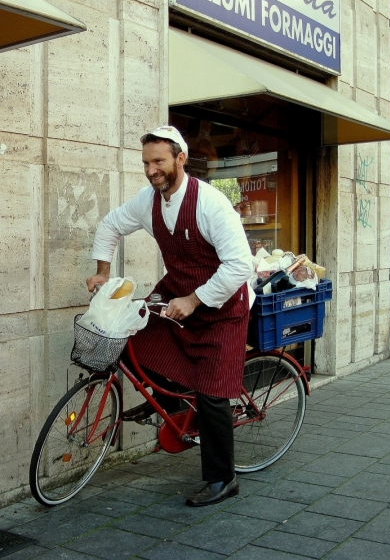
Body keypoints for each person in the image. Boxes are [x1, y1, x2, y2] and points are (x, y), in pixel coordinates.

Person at [86, 125, 254, 507]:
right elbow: (111, 225)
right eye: (146, 162)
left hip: (223, 307)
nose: (150, 170)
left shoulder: (211, 203)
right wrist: (101, 269)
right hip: (177, 289)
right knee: (134, 331)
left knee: (212, 396)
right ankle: (174, 402)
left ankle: (222, 480)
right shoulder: (148, 201)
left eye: (158, 161)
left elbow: (240, 264)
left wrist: (195, 300)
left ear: (180, 159)